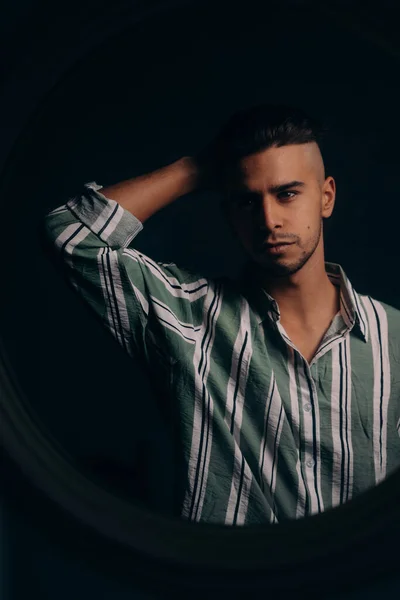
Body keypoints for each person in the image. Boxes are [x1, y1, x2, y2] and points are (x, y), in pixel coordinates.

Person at [42, 103, 400, 526]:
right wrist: (196, 169)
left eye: (287, 193)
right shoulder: (187, 315)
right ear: (229, 213)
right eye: (248, 202)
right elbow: (70, 235)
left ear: (326, 197)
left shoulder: (393, 338)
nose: (269, 220)